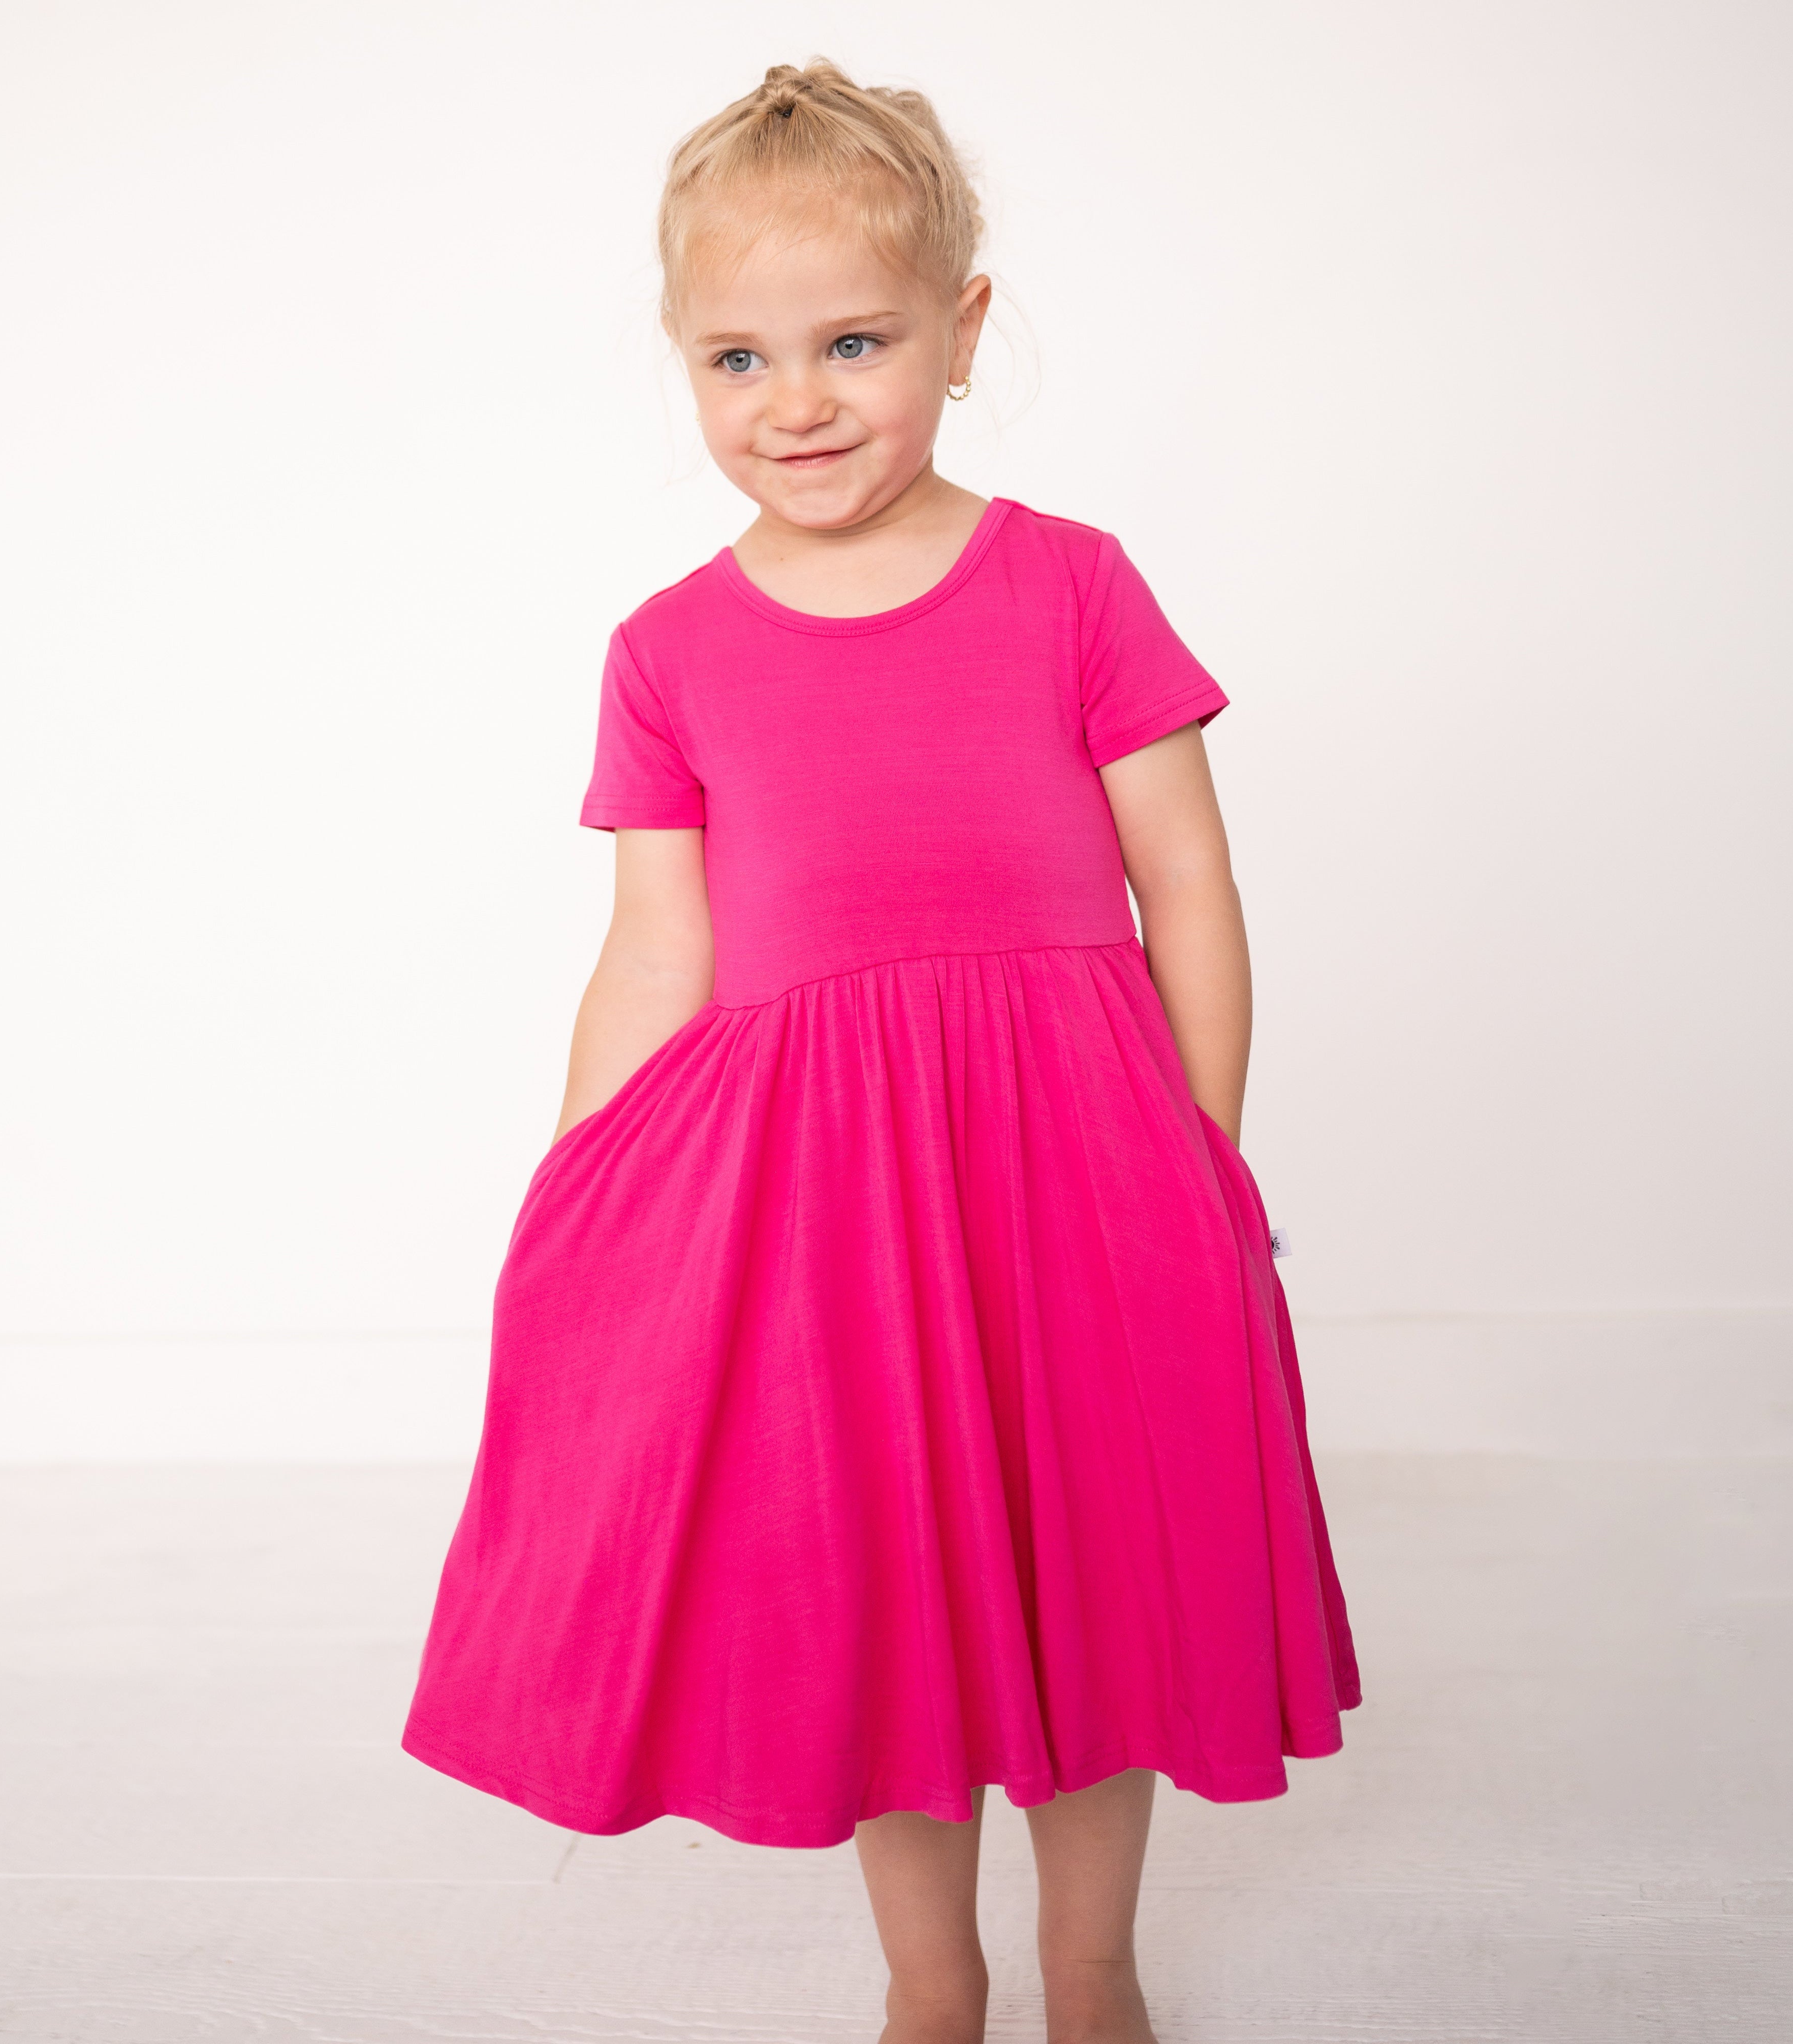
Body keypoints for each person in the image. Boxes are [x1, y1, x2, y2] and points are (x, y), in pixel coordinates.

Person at [403, 57, 1360, 2044]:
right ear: (682, 369)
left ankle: (1092, 1960)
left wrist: (1202, 1156)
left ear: (963, 330)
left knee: (1097, 1568)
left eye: (854, 341)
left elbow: (1185, 879)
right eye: (736, 360)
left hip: (1077, 1162)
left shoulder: (1071, 583)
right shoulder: (668, 647)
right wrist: (574, 1198)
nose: (800, 402)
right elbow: (655, 949)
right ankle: (934, 1972)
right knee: (889, 1599)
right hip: (824, 1199)